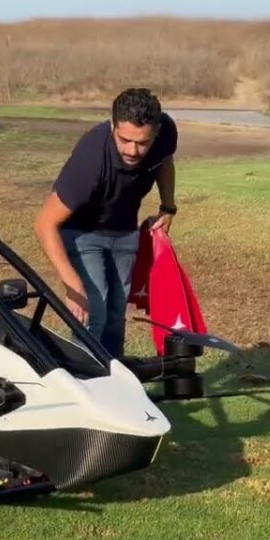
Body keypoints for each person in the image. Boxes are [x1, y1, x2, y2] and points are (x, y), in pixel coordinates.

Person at [33, 88, 178, 358]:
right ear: (112, 125)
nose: (133, 150)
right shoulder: (91, 160)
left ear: (156, 131)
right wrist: (72, 284)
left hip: (124, 232)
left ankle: (113, 379)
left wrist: (168, 206)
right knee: (93, 315)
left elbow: (164, 161)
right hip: (82, 233)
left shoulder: (165, 132)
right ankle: (81, 382)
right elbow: (44, 224)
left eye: (142, 143)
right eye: (124, 140)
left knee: (115, 315)